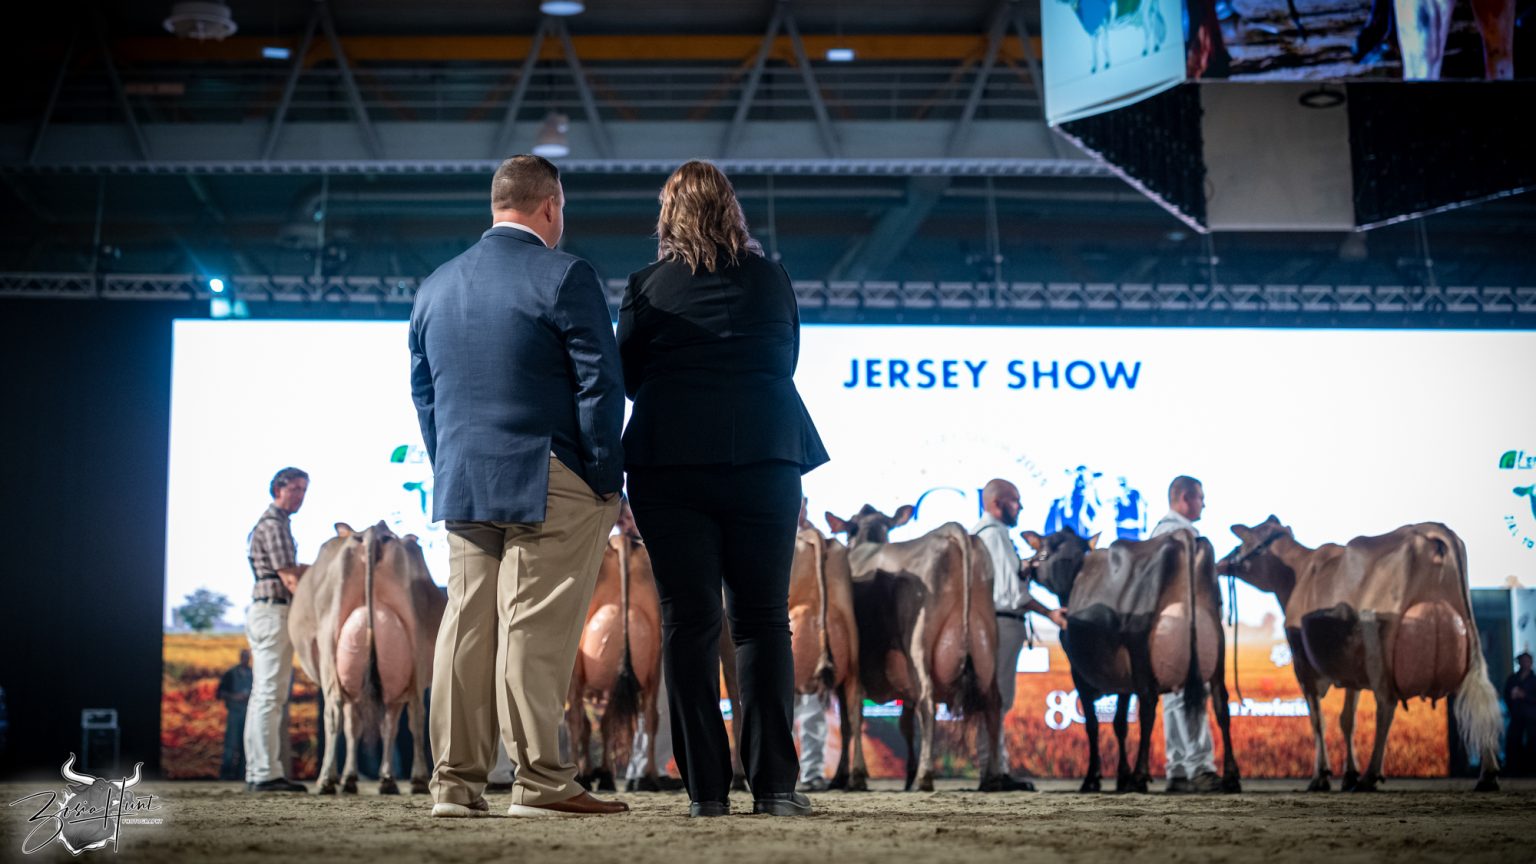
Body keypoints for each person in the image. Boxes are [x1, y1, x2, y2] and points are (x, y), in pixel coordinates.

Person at [410, 154, 627, 819]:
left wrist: (449, 463)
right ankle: (540, 783)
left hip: (463, 478)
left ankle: (454, 787)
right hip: (548, 473)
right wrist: (604, 477)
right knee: (533, 628)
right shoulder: (565, 275)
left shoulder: (435, 286)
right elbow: (599, 384)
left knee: (465, 627)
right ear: (550, 206)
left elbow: (425, 395)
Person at [618, 160, 829, 818]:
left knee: (688, 623)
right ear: (732, 210)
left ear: (668, 217)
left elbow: (630, 379)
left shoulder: (647, 287)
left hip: (669, 463)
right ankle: (775, 790)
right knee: (762, 621)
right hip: (766, 456)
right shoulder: (772, 279)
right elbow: (786, 359)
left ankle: (706, 793)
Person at [973, 478, 1068, 789]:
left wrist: (1023, 567)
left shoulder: (986, 534)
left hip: (995, 623)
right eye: (1015, 501)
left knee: (995, 698)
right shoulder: (995, 535)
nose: (1020, 507)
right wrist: (1050, 613)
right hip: (1001, 623)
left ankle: (994, 768)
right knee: (996, 699)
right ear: (997, 503)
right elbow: (1012, 595)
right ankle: (993, 772)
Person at [1150, 475, 1220, 794]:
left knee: (1173, 697)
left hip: (1165, 625)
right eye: (1199, 497)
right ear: (1184, 498)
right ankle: (1200, 768)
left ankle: (1177, 769)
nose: (1204, 504)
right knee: (1191, 694)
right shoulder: (1183, 536)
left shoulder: (1159, 533)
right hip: (1185, 625)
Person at [244, 466, 310, 793]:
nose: (300, 496)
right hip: (274, 611)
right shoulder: (274, 525)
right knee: (269, 694)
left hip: (266, 611)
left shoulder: (274, 523)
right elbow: (290, 578)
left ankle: (259, 770)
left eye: (303, 490)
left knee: (263, 695)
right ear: (277, 489)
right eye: (295, 489)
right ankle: (265, 774)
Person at [216, 649, 253, 781]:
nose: (245, 659)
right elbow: (220, 693)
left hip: (249, 714)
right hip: (234, 713)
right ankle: (226, 775)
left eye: (247, 657)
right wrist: (235, 696)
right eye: (244, 657)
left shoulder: (253, 674)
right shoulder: (230, 674)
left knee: (246, 745)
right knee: (231, 745)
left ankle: (242, 775)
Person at [1505, 651, 1536, 775]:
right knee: (1513, 741)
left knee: (1532, 742)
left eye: (1527, 661)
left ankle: (1530, 769)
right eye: (1523, 661)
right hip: (1516, 715)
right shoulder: (1513, 679)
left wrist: (1524, 696)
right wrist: (1512, 698)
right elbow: (1506, 694)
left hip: (1531, 717)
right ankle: (1514, 769)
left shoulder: (1534, 680)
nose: (1525, 663)